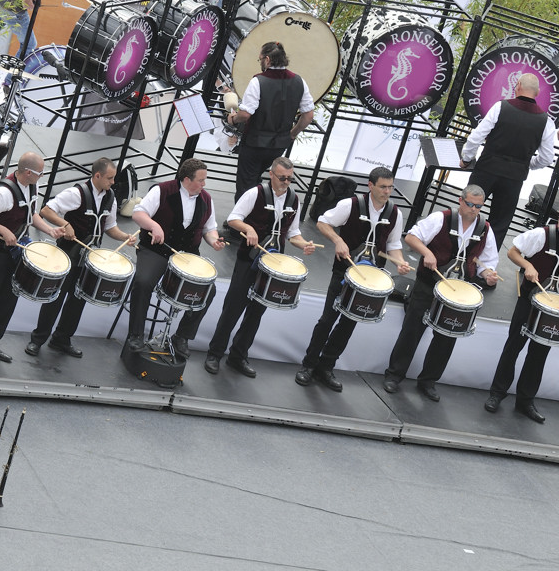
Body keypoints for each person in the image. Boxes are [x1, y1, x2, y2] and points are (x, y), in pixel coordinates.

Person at [294, 167, 411, 391]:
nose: (388, 191)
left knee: (348, 324)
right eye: (383, 187)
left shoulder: (395, 213)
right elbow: (322, 222)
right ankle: (308, 365)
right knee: (328, 319)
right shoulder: (351, 204)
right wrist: (338, 240)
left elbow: (394, 245)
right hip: (344, 271)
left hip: (370, 279)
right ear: (370, 185)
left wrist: (400, 261)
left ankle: (326, 367)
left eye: (390, 187)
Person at [382, 185, 500, 400]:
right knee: (412, 331)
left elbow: (488, 262)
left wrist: (488, 273)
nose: (474, 210)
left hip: (458, 291)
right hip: (428, 283)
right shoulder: (442, 218)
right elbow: (411, 237)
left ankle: (428, 381)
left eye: (479, 206)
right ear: (461, 201)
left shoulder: (485, 228)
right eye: (471, 204)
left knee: (447, 337)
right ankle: (394, 375)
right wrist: (427, 253)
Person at [203, 157, 315, 376]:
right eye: (282, 177)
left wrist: (304, 245)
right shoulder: (255, 193)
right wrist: (249, 228)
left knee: (256, 311)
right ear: (271, 174)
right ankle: (215, 353)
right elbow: (234, 219)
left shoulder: (294, 199)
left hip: (273, 264)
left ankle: (238, 356)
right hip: (249, 258)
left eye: (290, 178)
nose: (286, 182)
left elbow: (293, 233)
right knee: (233, 308)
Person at [26, 158, 136, 358]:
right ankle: (37, 339)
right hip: (68, 254)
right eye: (110, 178)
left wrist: (124, 237)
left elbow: (110, 227)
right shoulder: (76, 193)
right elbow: (46, 210)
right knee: (55, 298)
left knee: (78, 300)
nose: (113, 182)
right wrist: (64, 224)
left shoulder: (110, 197)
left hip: (90, 259)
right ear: (97, 176)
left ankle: (62, 339)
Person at [0, 152, 65, 363]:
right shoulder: (3, 193)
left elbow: (31, 214)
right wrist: (3, 230)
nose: (42, 177)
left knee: (9, 296)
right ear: (28, 173)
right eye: (39, 173)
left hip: (16, 250)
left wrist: (49, 230)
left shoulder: (33, 186)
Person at [128, 158, 226, 355]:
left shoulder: (206, 199)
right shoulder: (162, 190)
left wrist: (214, 240)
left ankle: (182, 336)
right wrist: (154, 225)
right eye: (201, 180)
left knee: (209, 290)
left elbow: (209, 229)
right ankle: (136, 334)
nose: (204, 184)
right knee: (143, 281)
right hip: (157, 250)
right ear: (187, 179)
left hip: (187, 254)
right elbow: (138, 214)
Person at [460, 73, 556, 250]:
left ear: (517, 85)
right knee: (499, 224)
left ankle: (454, 252)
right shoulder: (546, 121)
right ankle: (484, 270)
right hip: (514, 177)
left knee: (468, 213)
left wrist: (466, 158)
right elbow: (547, 158)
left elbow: (476, 137)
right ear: (537, 92)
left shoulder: (500, 107)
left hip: (486, 168)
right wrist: (526, 164)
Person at [484, 223, 559, 423]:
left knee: (539, 353)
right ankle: (497, 393)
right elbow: (513, 251)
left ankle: (525, 400)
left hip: (553, 307)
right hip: (529, 299)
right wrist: (528, 266)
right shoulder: (542, 235)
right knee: (513, 346)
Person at [227, 41, 313, 202]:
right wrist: (293, 133)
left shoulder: (258, 81)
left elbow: (245, 114)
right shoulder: (299, 81)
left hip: (254, 143)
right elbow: (308, 116)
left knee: (246, 184)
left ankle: (240, 222)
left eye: (260, 59)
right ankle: (255, 218)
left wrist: (233, 119)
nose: (260, 62)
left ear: (267, 59)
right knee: (259, 181)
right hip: (279, 145)